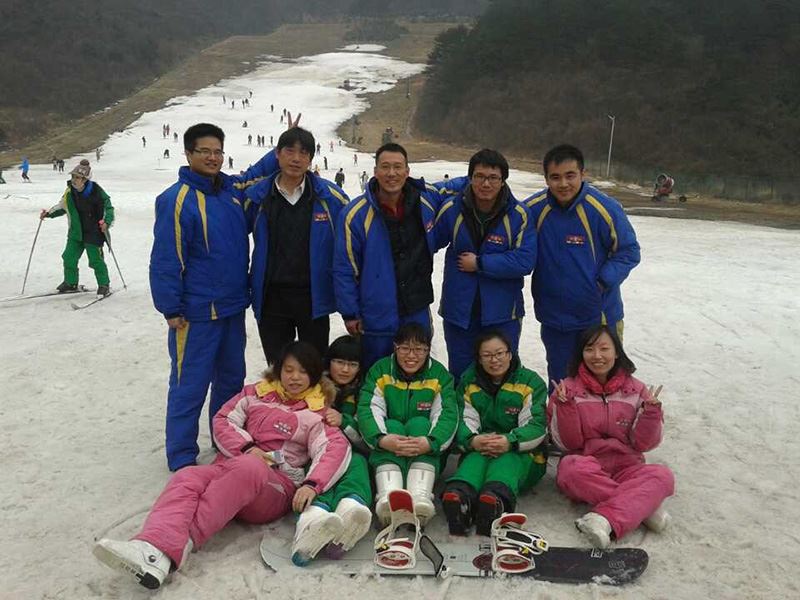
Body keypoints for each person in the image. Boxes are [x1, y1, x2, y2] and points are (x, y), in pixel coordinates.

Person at [93, 342, 351, 590]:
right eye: (289, 369)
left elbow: (334, 449)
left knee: (250, 468)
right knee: (187, 477)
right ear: (279, 369)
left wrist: (311, 485)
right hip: (232, 466)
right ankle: (152, 550)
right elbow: (224, 419)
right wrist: (247, 447)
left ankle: (178, 544)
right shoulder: (255, 393)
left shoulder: (318, 413)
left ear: (314, 374)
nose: (295, 377)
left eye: (303, 372)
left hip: (273, 487)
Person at [149, 122, 287, 471]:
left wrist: (283, 149)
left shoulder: (231, 192)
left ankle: (224, 441)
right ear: (188, 154)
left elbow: (255, 174)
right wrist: (170, 307)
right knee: (189, 385)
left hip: (231, 307)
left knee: (230, 382)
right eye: (204, 151)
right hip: (195, 313)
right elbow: (166, 259)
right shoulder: (176, 200)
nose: (212, 158)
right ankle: (182, 455)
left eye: (217, 152)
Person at [548, 324, 674, 548]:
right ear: (581, 354)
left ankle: (603, 519)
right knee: (570, 470)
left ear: (617, 352)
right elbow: (568, 444)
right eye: (589, 349)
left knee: (663, 476)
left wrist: (651, 413)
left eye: (604, 348)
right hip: (587, 465)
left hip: (628, 466)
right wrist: (565, 407)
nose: (597, 356)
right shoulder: (567, 389)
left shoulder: (637, 390)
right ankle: (644, 508)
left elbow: (644, 444)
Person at [525, 145, 641, 386]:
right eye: (555, 177)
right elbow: (505, 217)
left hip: (599, 316)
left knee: (605, 382)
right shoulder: (534, 209)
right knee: (561, 383)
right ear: (546, 178)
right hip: (555, 318)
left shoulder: (604, 208)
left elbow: (628, 251)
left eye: (570, 175)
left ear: (582, 174)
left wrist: (601, 282)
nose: (563, 184)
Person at [333, 143, 449, 367]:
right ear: (375, 171)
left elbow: (453, 187)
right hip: (376, 315)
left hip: (416, 308)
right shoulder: (355, 214)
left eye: (398, 167)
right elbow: (345, 268)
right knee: (377, 373)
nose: (392, 173)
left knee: (418, 372)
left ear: (407, 171)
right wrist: (350, 313)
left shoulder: (425, 202)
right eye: (385, 167)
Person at [244, 126, 349, 365]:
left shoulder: (330, 197)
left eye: (303, 153)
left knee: (313, 367)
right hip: (272, 298)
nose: (296, 158)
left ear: (311, 159)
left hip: (313, 297)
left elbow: (351, 242)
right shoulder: (257, 197)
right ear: (277, 154)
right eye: (289, 151)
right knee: (278, 368)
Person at [432, 149, 535, 380]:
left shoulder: (519, 214)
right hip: (459, 311)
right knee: (461, 376)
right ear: (470, 178)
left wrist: (480, 263)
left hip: (502, 313)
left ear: (503, 180)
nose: (485, 184)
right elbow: (427, 244)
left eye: (493, 178)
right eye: (479, 176)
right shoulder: (452, 209)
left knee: (504, 376)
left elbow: (525, 260)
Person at [441, 330, 547, 536]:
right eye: (487, 355)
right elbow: (462, 419)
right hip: (482, 446)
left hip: (522, 452)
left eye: (499, 353)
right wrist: (473, 440)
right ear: (479, 359)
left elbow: (536, 425)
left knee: (506, 461)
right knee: (474, 460)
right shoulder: (469, 383)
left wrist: (509, 441)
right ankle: (459, 498)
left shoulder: (530, 382)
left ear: (510, 354)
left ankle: (495, 502)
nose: (494, 360)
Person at [357, 323, 458, 525]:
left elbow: (448, 414)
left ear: (428, 350)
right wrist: (381, 439)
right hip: (388, 447)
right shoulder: (381, 371)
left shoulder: (439, 375)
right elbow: (368, 408)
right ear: (395, 347)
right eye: (405, 348)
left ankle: (420, 496)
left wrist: (431, 442)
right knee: (392, 425)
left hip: (423, 447)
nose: (411, 356)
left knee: (421, 423)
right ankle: (388, 496)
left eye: (419, 349)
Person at [292, 335, 373, 565]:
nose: (345, 369)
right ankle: (313, 520)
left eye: (352, 364)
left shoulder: (363, 392)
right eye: (340, 362)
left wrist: (345, 421)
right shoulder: (314, 387)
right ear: (329, 362)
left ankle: (351, 510)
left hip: (353, 450)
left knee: (357, 465)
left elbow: (367, 434)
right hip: (317, 452)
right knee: (322, 473)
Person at [39, 159, 114, 296]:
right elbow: (62, 206)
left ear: (85, 180)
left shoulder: (96, 191)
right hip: (76, 232)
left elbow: (108, 208)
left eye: (77, 177)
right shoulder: (69, 192)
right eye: (73, 176)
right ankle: (70, 282)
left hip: (94, 233)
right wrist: (48, 214)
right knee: (69, 257)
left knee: (95, 261)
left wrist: (106, 222)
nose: (74, 180)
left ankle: (104, 284)